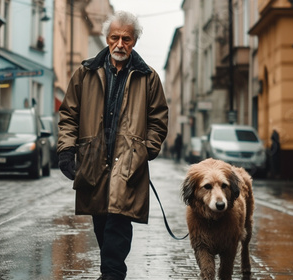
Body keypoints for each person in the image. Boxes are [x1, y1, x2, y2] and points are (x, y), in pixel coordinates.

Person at [57, 11, 169, 280]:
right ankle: (111, 273)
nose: (120, 44)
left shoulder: (148, 77)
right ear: (106, 39)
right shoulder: (85, 73)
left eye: (126, 39)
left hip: (129, 166)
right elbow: (69, 114)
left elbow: (159, 119)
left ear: (135, 41)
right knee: (102, 225)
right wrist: (66, 149)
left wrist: (147, 149)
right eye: (115, 38)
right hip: (94, 163)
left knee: (118, 228)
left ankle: (111, 275)